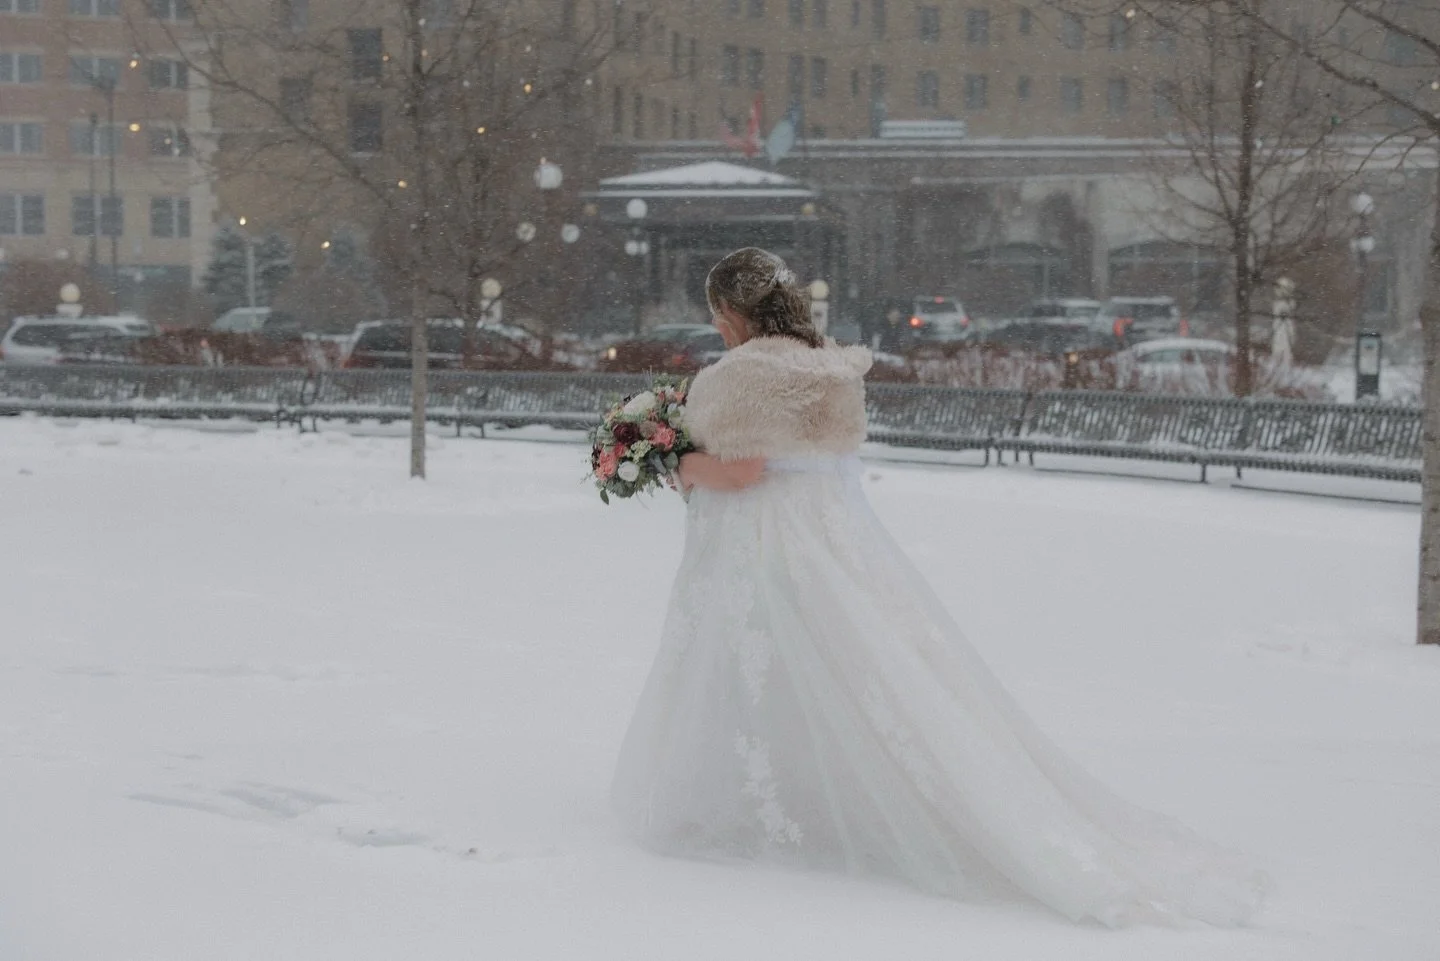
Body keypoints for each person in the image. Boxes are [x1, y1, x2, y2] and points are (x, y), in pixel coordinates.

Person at [610, 247, 1270, 928]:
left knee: (756, 666)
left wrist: (675, 462)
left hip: (765, 545)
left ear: (733, 310)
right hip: (837, 541)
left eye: (717, 313)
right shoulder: (830, 363)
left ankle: (763, 798)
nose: (716, 327)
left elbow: (744, 473)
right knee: (875, 669)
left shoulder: (739, 375)